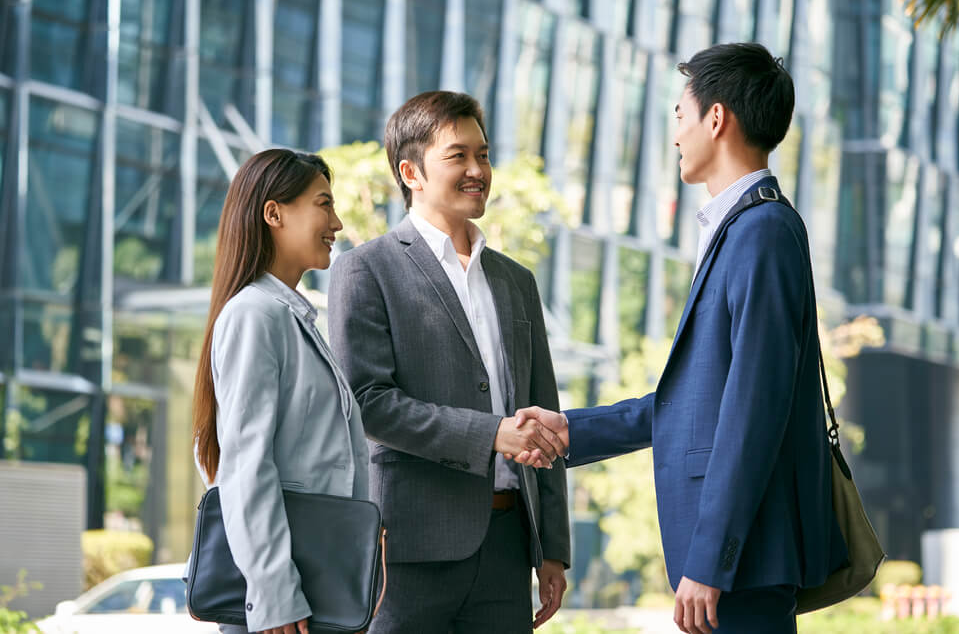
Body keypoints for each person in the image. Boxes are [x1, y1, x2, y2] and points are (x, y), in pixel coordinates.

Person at [513, 43, 848, 633]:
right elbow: (698, 403)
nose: (675, 134)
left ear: (716, 119)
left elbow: (753, 410)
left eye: (678, 116)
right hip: (739, 563)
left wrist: (712, 560)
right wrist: (576, 431)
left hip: (744, 563)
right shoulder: (741, 227)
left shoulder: (761, 230)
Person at [327, 90, 570, 634]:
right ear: (410, 171)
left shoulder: (517, 281)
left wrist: (552, 546)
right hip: (408, 550)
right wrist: (490, 435)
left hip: (508, 550)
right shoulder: (365, 271)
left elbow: (543, 412)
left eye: (482, 155)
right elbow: (368, 404)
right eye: (457, 156)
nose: (477, 170)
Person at [192, 149, 370, 634]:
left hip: (314, 585)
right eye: (323, 204)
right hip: (282, 602)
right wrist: (273, 589)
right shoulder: (255, 315)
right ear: (274, 213)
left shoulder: (291, 317)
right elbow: (246, 464)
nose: (336, 221)